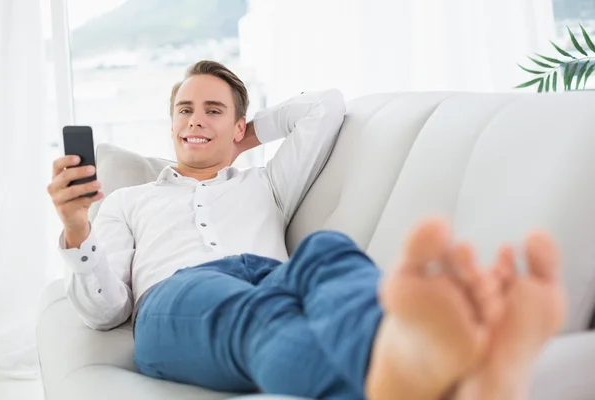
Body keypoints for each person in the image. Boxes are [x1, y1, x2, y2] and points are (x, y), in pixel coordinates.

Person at [48, 60, 566, 400]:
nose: (195, 120)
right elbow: (105, 309)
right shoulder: (127, 201)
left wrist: (242, 141)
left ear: (238, 125)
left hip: (273, 273)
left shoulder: (265, 184)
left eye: (213, 111)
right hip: (177, 296)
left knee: (326, 250)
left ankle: (412, 347)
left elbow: (325, 106)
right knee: (261, 317)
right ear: (171, 126)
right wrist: (76, 230)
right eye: (185, 110)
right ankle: (392, 377)